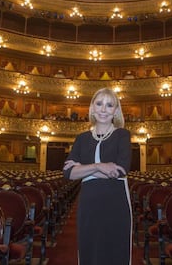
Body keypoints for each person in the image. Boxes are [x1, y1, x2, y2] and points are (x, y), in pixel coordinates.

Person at [63, 87, 132, 265]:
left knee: (115, 250)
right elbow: (68, 173)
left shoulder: (122, 135)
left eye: (109, 105)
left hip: (115, 201)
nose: (103, 109)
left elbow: (121, 170)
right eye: (99, 104)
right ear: (92, 107)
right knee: (90, 249)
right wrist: (99, 166)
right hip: (89, 202)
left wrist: (83, 168)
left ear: (116, 110)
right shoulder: (82, 138)